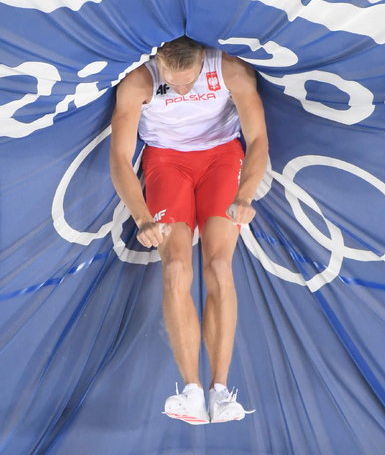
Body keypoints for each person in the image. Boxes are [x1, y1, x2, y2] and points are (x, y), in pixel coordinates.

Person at [110, 36, 268, 424]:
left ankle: (220, 390)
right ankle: (192, 390)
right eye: (171, 81)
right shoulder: (139, 82)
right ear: (158, 61)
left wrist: (246, 196)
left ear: (203, 62)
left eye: (189, 82)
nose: (179, 89)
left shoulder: (228, 69)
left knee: (218, 266)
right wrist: (142, 216)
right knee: (177, 268)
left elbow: (259, 138)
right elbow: (119, 156)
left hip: (220, 157)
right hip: (166, 162)